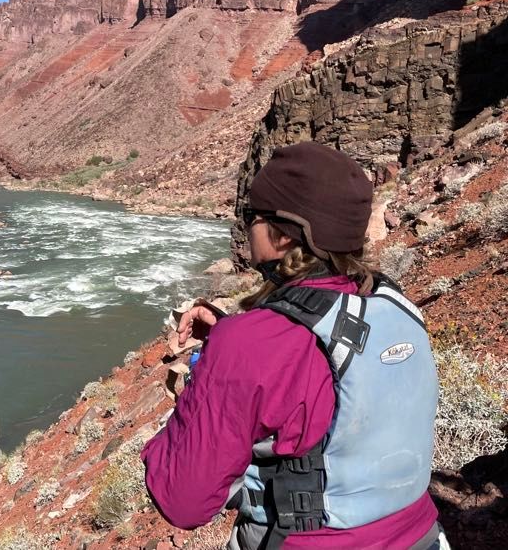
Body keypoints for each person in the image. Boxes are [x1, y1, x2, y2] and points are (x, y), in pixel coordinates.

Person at [141, 142, 447, 550]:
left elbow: (183, 501)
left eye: (251, 215)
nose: (246, 226)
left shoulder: (251, 345)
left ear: (284, 236)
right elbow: (329, 363)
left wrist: (196, 396)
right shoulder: (394, 303)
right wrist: (231, 333)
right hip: (421, 536)